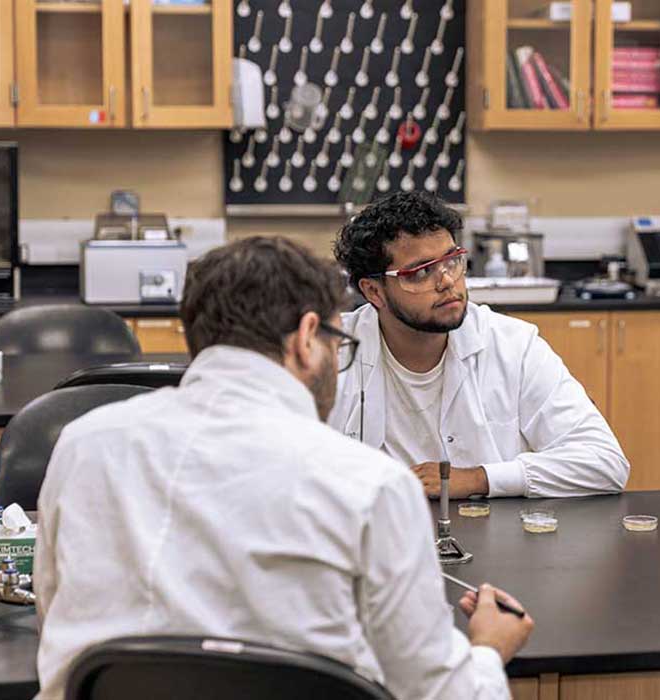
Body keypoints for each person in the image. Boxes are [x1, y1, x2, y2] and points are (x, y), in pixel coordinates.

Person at [34, 237, 534, 700]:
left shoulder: (86, 444)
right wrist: (489, 650)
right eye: (338, 344)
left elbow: (54, 617)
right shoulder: (372, 487)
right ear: (307, 337)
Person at [329, 192, 629, 499]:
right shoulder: (330, 353)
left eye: (452, 261)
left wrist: (479, 479)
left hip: (493, 537)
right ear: (374, 292)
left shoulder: (514, 346)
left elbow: (605, 463)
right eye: (421, 272)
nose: (446, 281)